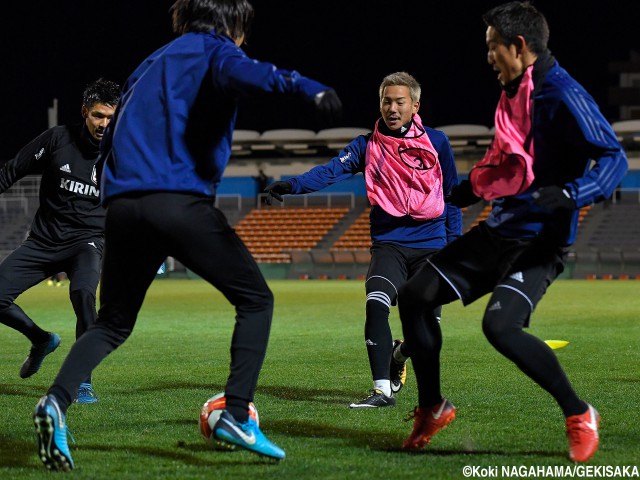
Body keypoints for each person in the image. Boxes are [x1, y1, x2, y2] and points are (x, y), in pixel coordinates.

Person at [33, 0, 342, 471]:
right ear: (233, 24)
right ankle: (236, 415)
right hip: (178, 201)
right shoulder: (215, 50)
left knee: (113, 323)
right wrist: (313, 91)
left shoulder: (149, 62)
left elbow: (112, 136)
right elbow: (255, 74)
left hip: (123, 209)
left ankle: (55, 402)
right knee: (256, 300)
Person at [394, 1, 627, 463]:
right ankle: (432, 407)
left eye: (492, 47)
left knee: (500, 327)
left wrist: (570, 193)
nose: (487, 57)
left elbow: (614, 158)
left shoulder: (561, 93)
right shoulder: (513, 93)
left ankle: (580, 413)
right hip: (501, 229)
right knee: (415, 296)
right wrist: (466, 191)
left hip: (539, 242)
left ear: (518, 47)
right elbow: (506, 162)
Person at [265, 71, 461, 408]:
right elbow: (329, 172)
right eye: (386, 101)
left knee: (425, 331)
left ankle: (399, 355)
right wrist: (292, 185)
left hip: (432, 245)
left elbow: (452, 196)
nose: (392, 107)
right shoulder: (366, 145)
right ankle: (382, 391)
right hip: (389, 245)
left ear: (415, 105)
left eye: (399, 101)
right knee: (376, 304)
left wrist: (454, 245)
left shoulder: (438, 142)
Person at [0, 78, 120, 404]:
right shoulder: (57, 140)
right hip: (43, 241)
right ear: (85, 112)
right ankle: (41, 340)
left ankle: (82, 380)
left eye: (110, 117)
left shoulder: (122, 154)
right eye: (98, 115)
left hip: (87, 242)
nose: (104, 124)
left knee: (83, 293)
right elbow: (11, 170)